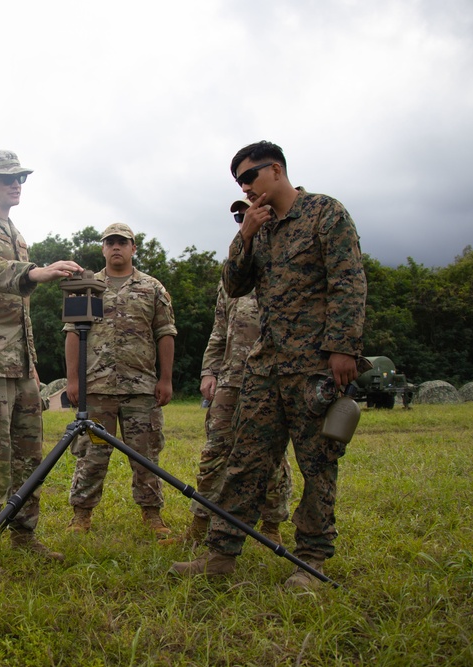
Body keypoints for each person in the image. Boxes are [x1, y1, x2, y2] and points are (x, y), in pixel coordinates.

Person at [171, 141, 366, 588]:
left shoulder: (324, 213)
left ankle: (311, 562)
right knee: (245, 461)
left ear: (275, 170)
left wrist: (343, 348)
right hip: (265, 366)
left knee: (318, 463)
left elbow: (348, 282)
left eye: (249, 177)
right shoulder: (260, 228)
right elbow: (235, 286)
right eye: (238, 182)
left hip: (314, 365)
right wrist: (245, 235)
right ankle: (220, 556)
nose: (245, 188)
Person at [0, 149, 82, 573]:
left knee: (29, 455)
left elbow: (17, 307)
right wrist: (37, 271)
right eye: (7, 177)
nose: (16, 183)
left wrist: (31, 362)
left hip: (19, 364)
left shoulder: (15, 232)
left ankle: (25, 534)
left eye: (20, 177)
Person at [160, 199, 292, 548]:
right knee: (215, 451)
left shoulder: (287, 261)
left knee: (271, 455)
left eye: (250, 211)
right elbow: (219, 329)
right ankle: (199, 525)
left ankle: (272, 526)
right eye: (239, 215)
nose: (244, 218)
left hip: (274, 375)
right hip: (231, 378)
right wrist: (209, 371)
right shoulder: (233, 271)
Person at [64, 222, 177, 536]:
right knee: (92, 453)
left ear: (133, 248)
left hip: (140, 388)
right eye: (110, 242)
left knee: (146, 455)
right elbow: (72, 333)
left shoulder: (152, 288)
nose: (116, 247)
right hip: (97, 389)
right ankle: (81, 516)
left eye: (123, 242)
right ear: (103, 247)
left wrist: (165, 380)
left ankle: (152, 516)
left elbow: (165, 334)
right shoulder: (87, 286)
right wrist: (73, 381)